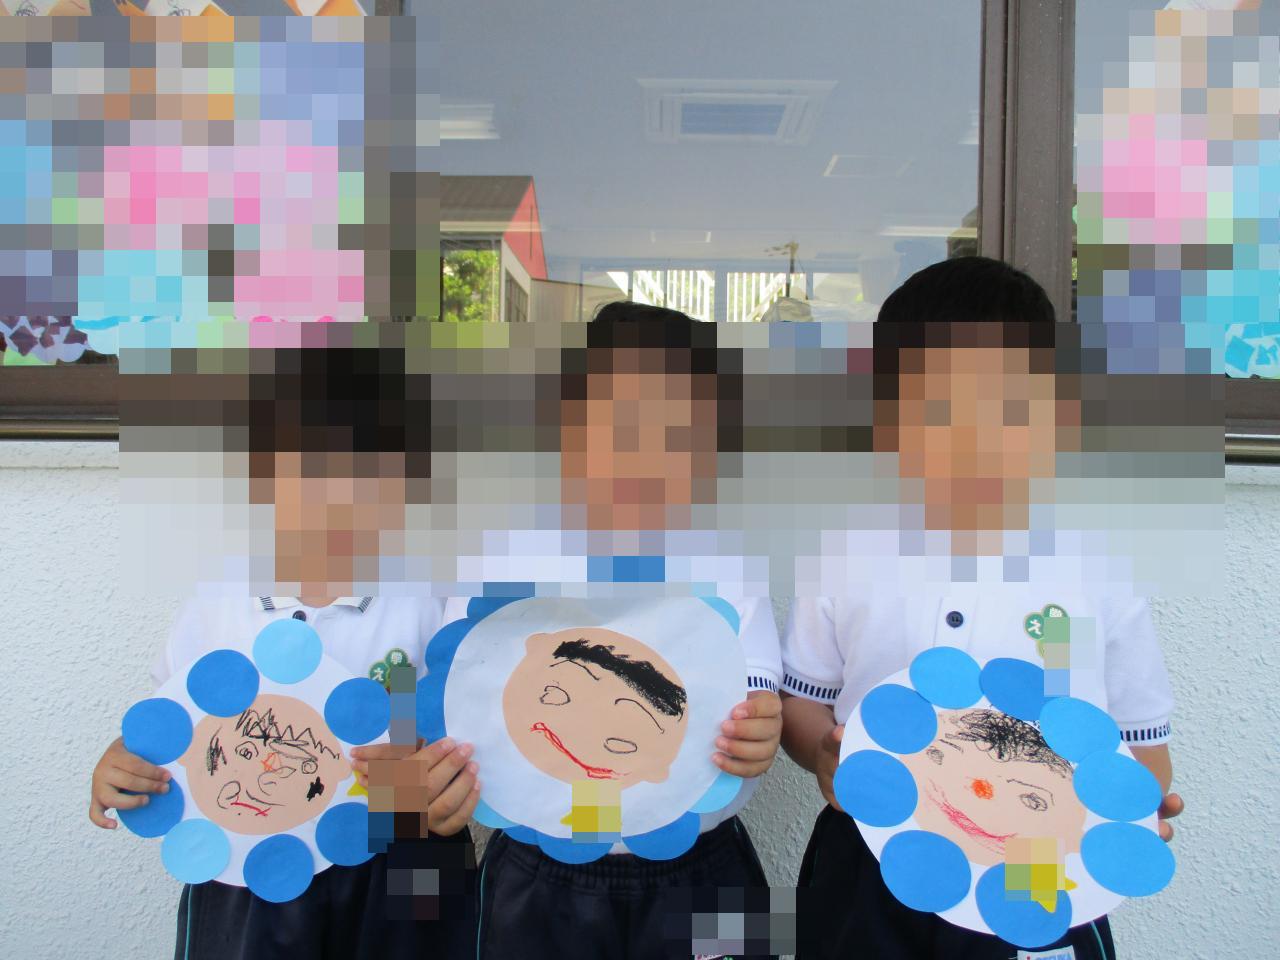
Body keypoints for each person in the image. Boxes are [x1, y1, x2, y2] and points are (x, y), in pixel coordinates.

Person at [780, 257, 1182, 960]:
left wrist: (1127, 813)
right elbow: (801, 703)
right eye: (935, 409)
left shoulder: (1100, 571)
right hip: (872, 853)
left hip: (1037, 870)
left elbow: (1143, 745)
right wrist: (823, 753)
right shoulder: (841, 553)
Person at [88, 344, 478, 960]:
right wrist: (125, 766)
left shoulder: (437, 598)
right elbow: (172, 732)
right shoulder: (220, 600)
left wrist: (438, 777)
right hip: (247, 869)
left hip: (404, 864)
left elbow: (462, 738)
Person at [469, 302, 785, 960]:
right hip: (538, 864)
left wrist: (761, 732)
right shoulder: (508, 560)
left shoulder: (729, 564)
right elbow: (457, 689)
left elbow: (757, 694)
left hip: (704, 865)